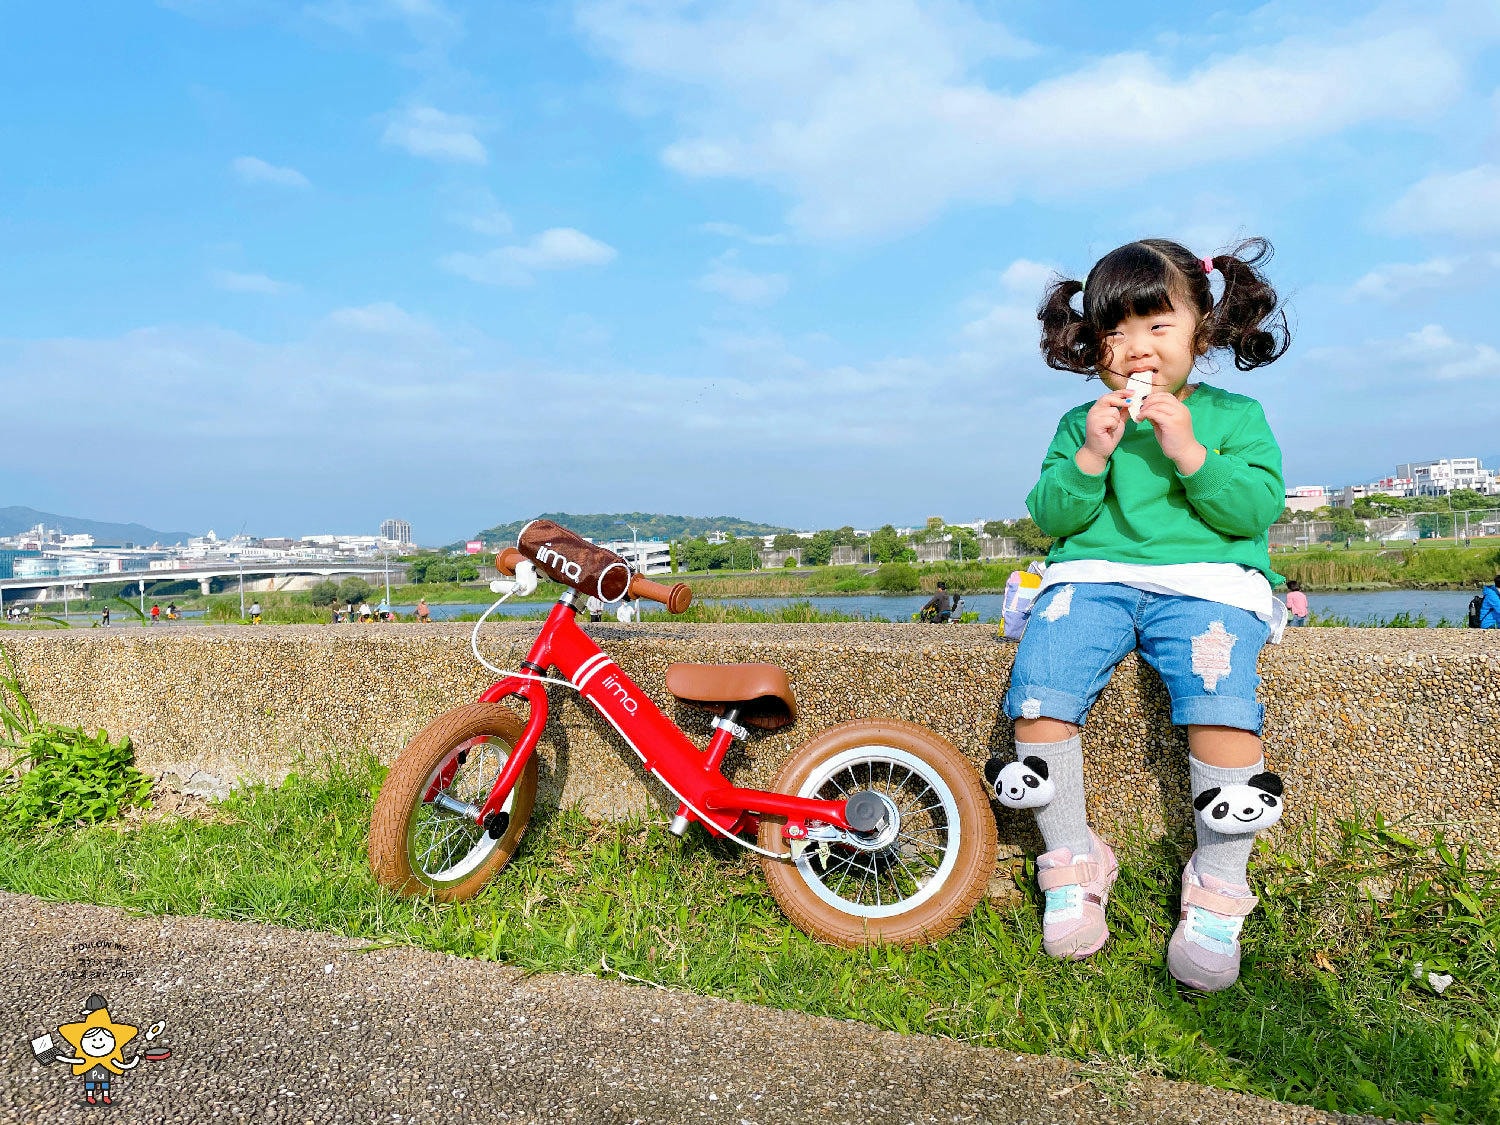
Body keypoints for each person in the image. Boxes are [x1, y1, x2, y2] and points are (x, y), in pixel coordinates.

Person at [992, 238, 1292, 992]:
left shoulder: (1234, 415)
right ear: (1092, 342)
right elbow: (1050, 514)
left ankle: (1219, 883)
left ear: (1204, 327)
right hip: (1090, 577)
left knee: (1221, 703)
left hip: (1210, 581)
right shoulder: (1081, 423)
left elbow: (1253, 509)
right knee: (1039, 693)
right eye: (1114, 332)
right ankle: (1070, 859)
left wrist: (1190, 450)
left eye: (1156, 326)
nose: (1134, 349)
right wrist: (1091, 456)